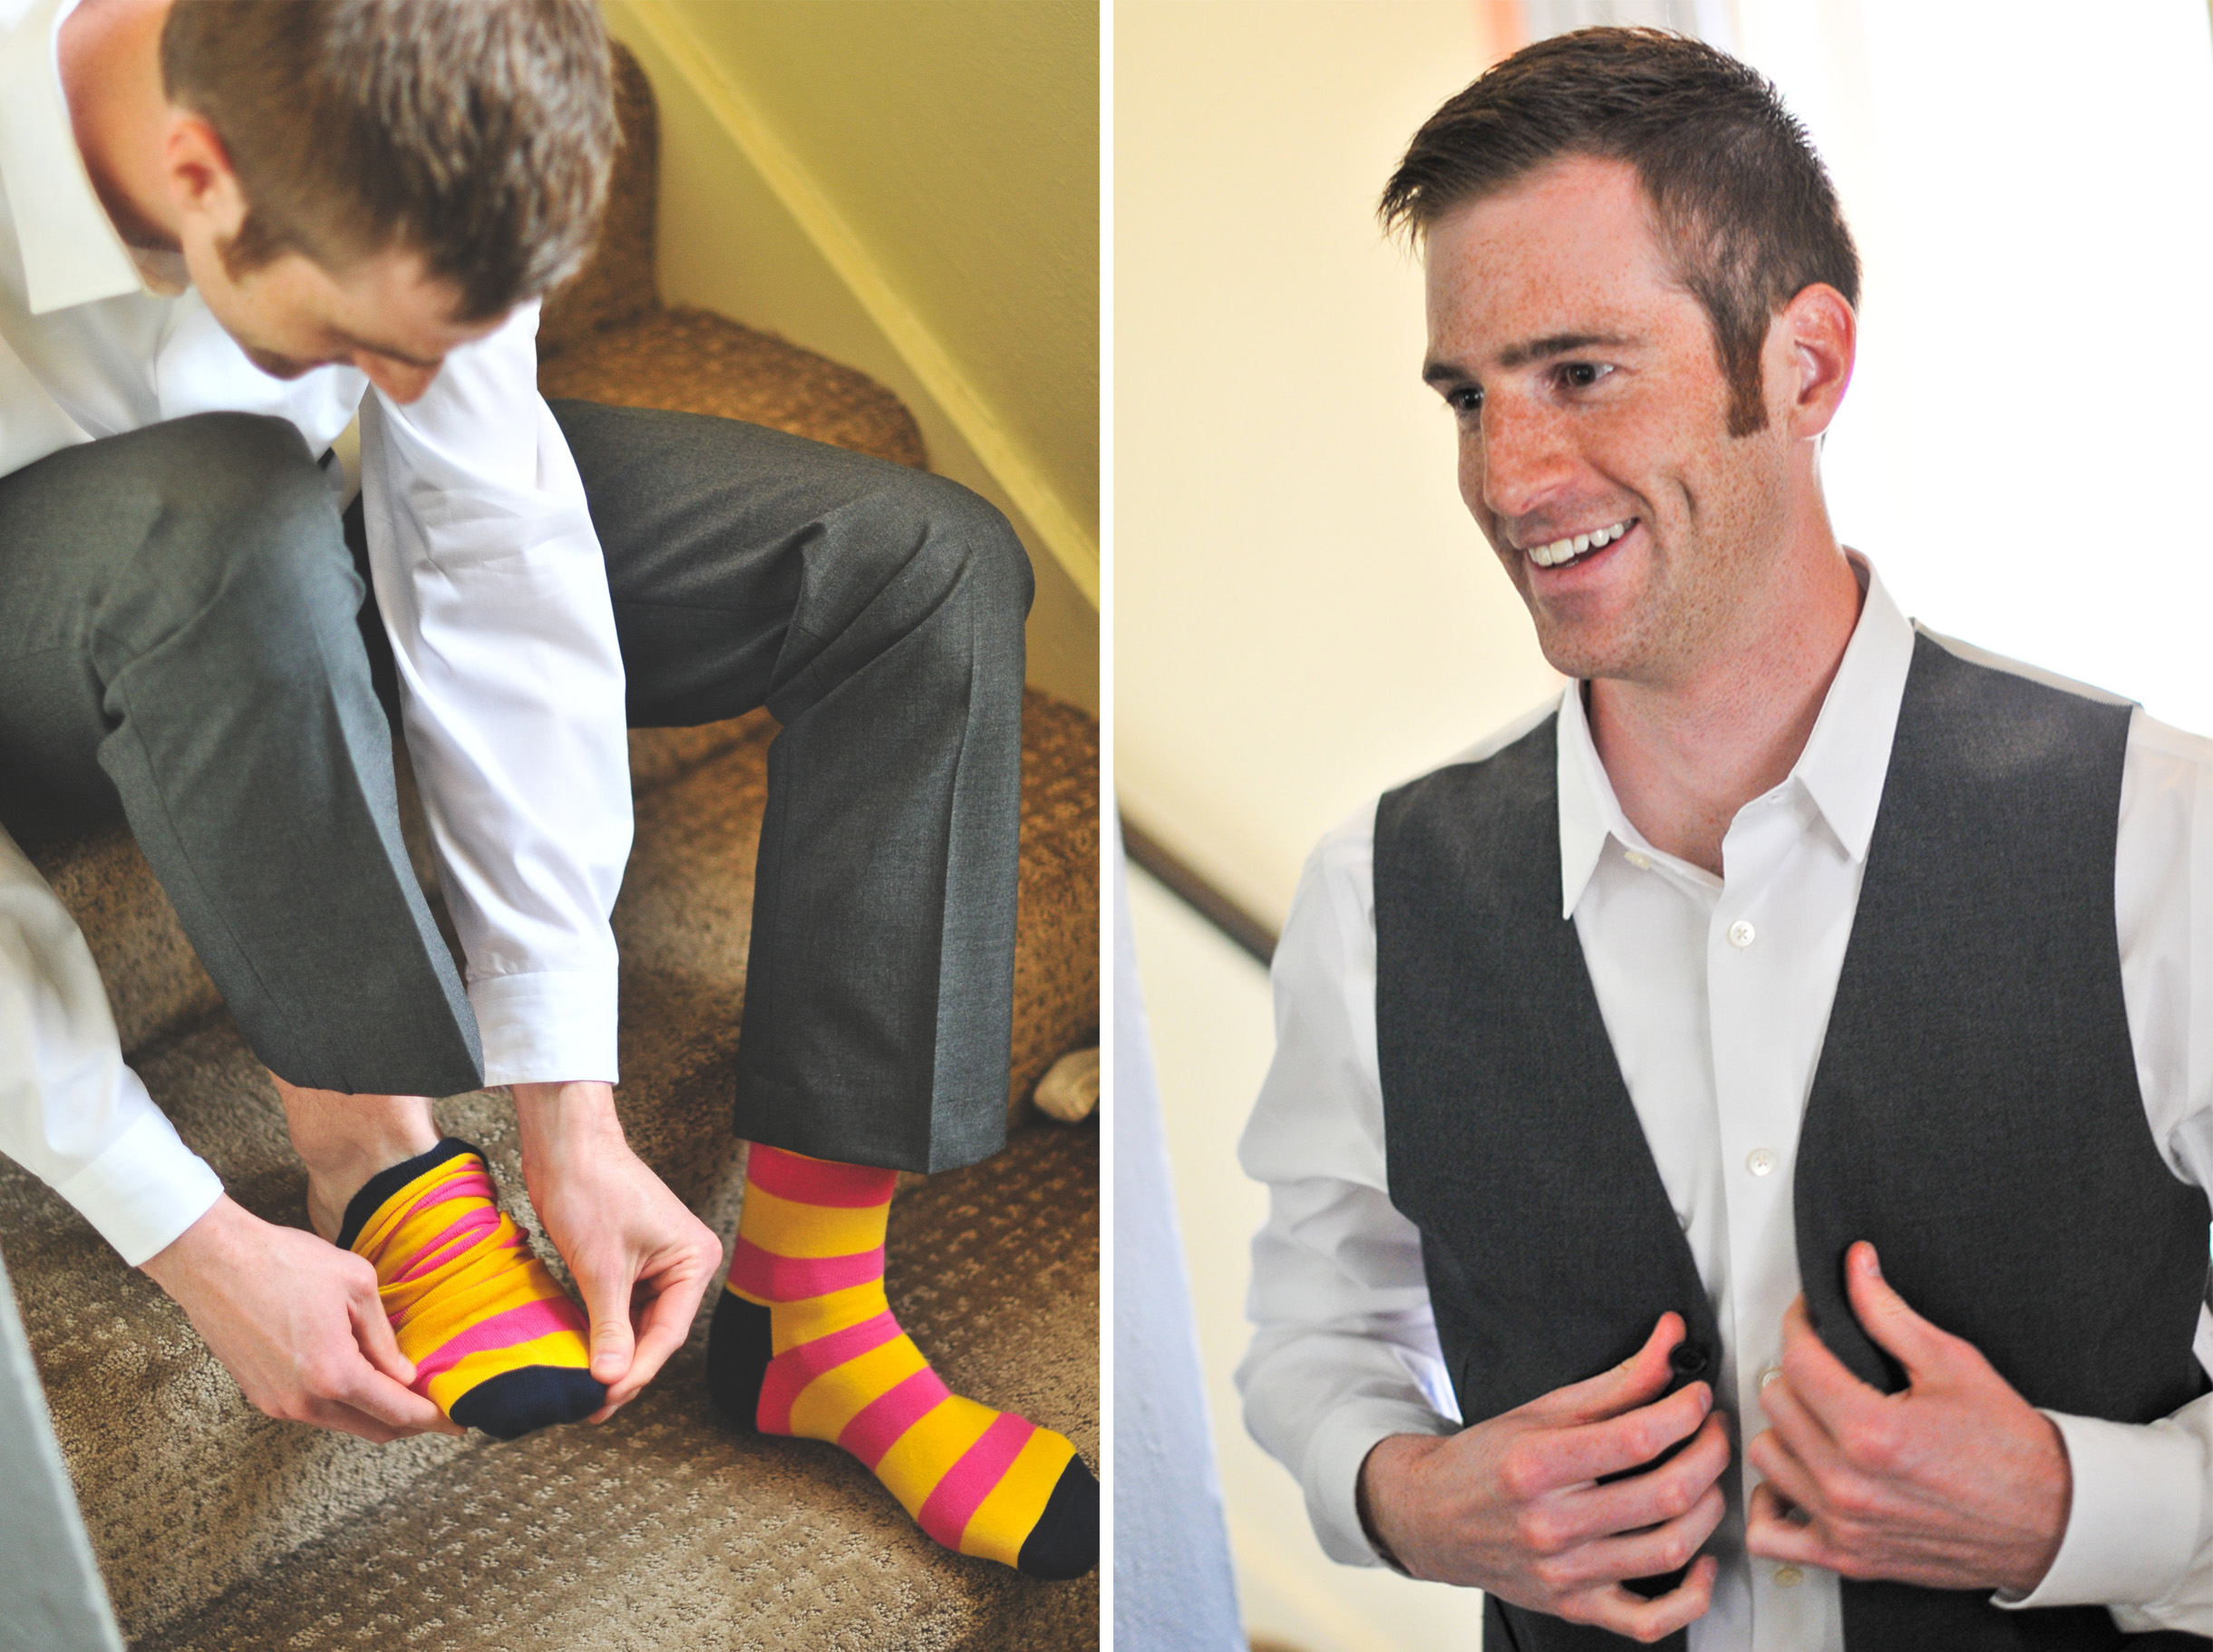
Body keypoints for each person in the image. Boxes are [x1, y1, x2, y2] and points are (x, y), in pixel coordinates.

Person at [0, 0, 1093, 1579]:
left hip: (310, 526)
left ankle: (814, 1314)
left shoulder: (413, 117)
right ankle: (374, 1160)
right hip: (67, 597)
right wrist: (186, 1228)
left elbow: (492, 547)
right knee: (232, 506)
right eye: (369, 344)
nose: (411, 381)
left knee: (918, 564)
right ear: (197, 170)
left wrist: (567, 1099)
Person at [1237, 26, 2213, 1650]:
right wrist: (1405, 1494)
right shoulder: (1369, 896)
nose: (1506, 473)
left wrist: (2081, 1507)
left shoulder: (2162, 836)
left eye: (1579, 372)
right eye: (1465, 397)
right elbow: (1315, 1324)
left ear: (1806, 366)